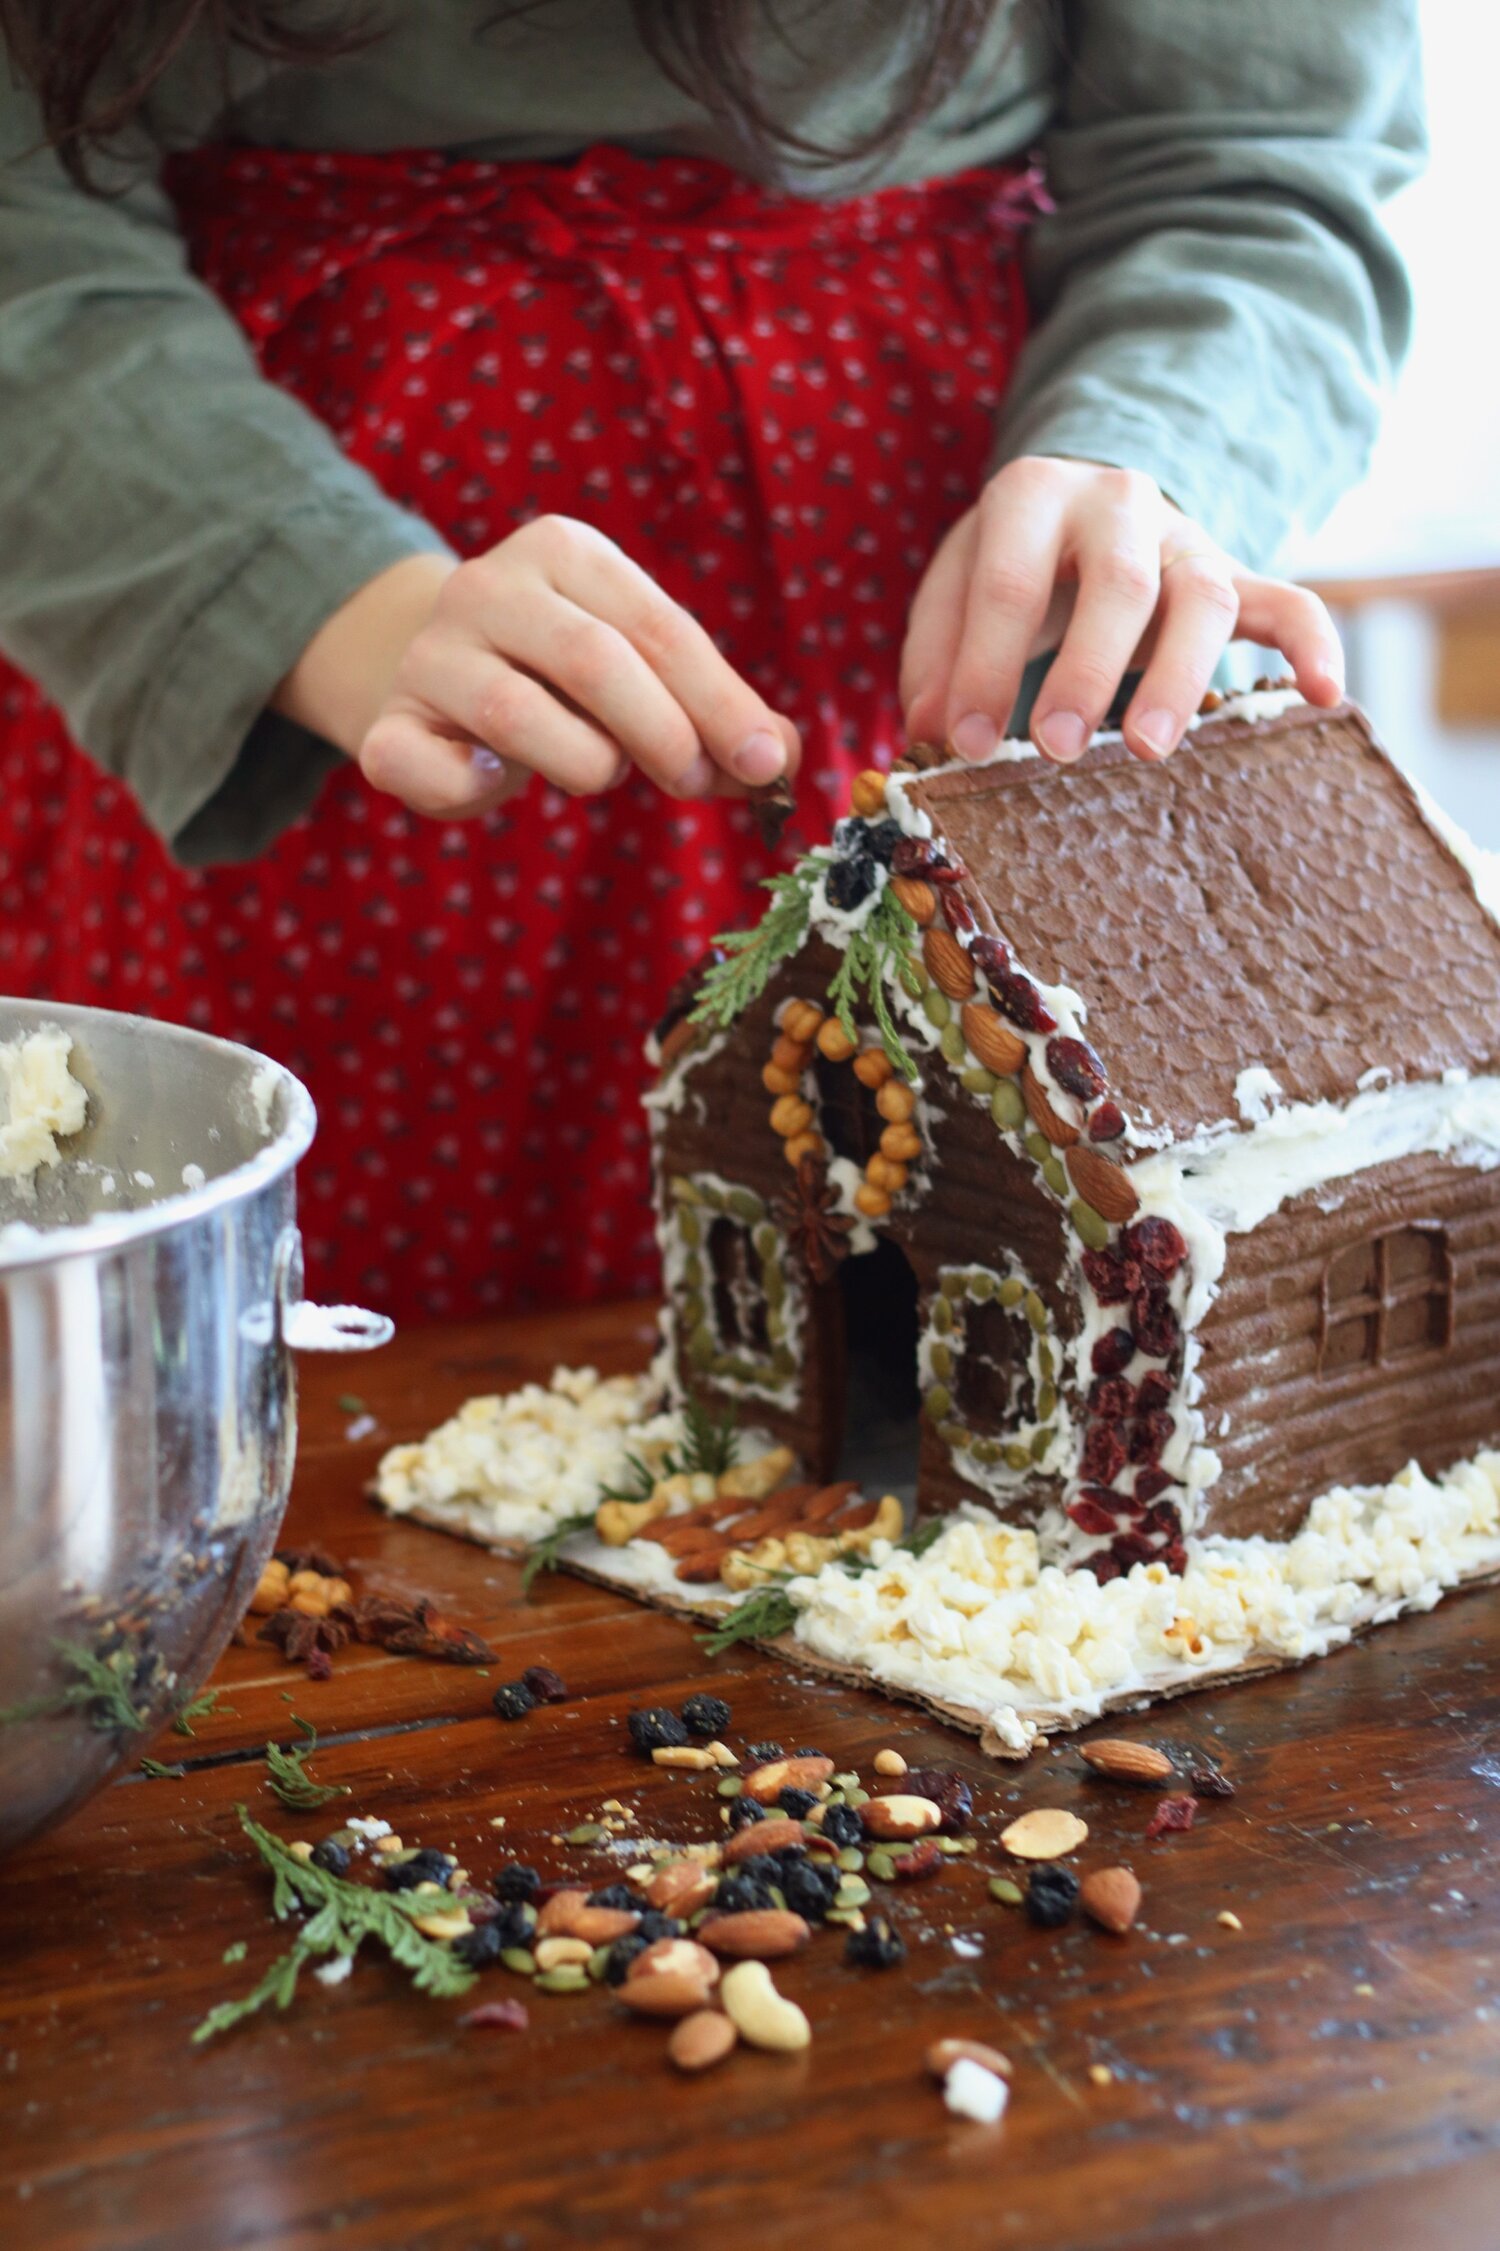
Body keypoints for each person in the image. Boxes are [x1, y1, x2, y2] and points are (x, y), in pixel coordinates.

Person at [0, 1, 1421, 1320]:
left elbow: (1257, 159)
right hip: (246, 603)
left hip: (947, 611)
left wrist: (1157, 443)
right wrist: (300, 595)